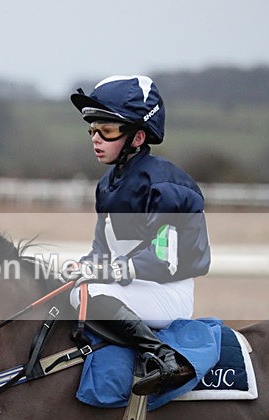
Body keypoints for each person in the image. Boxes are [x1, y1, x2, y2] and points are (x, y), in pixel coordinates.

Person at [62, 75, 211, 396]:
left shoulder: (164, 185)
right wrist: (83, 265)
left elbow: (162, 259)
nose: (96, 138)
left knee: (85, 294)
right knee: (67, 289)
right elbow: (102, 250)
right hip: (129, 288)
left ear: (138, 136)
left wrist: (102, 271)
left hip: (166, 292)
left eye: (108, 129)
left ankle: (164, 357)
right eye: (92, 129)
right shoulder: (107, 185)